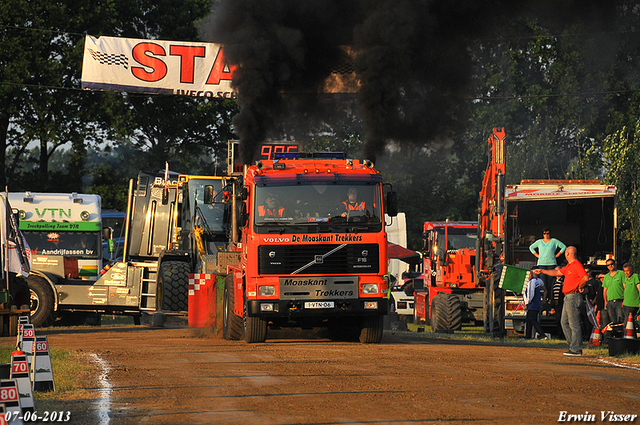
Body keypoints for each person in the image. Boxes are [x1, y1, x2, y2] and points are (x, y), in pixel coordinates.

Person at [535, 246, 588, 356]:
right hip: (568, 297)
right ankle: (573, 345)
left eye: (565, 252)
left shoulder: (576, 265)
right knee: (564, 322)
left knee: (574, 323)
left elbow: (585, 277)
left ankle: (576, 349)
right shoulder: (569, 266)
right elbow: (557, 273)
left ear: (568, 253)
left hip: (573, 296)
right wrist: (542, 271)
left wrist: (579, 286)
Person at [529, 228, 566, 302]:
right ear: (542, 234)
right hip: (541, 264)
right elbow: (531, 247)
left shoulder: (554, 241)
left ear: (550, 234)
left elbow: (563, 247)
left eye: (547, 233)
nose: (546, 235)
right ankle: (543, 298)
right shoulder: (539, 242)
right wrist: (537, 255)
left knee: (550, 282)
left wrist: (556, 255)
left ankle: (550, 298)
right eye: (544, 233)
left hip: (551, 263)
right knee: (542, 282)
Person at [523, 269, 548, 339]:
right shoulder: (532, 281)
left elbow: (531, 293)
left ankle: (542, 334)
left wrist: (527, 303)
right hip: (534, 304)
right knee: (528, 320)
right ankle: (528, 336)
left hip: (533, 304)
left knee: (533, 320)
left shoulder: (532, 282)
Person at [601, 259, 625, 324]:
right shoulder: (606, 276)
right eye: (608, 265)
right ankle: (615, 333)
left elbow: (625, 287)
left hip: (619, 301)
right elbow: (605, 290)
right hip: (610, 302)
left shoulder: (621, 273)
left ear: (615, 264)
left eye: (611, 264)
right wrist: (605, 301)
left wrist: (624, 300)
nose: (610, 266)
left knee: (620, 319)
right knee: (612, 320)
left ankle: (621, 333)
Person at [622, 263, 640, 333]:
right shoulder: (625, 278)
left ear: (632, 270)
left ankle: (628, 337)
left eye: (628, 270)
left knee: (628, 323)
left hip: (633, 304)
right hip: (626, 303)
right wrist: (624, 300)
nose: (626, 273)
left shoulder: (635, 276)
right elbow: (626, 290)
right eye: (625, 271)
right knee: (627, 322)